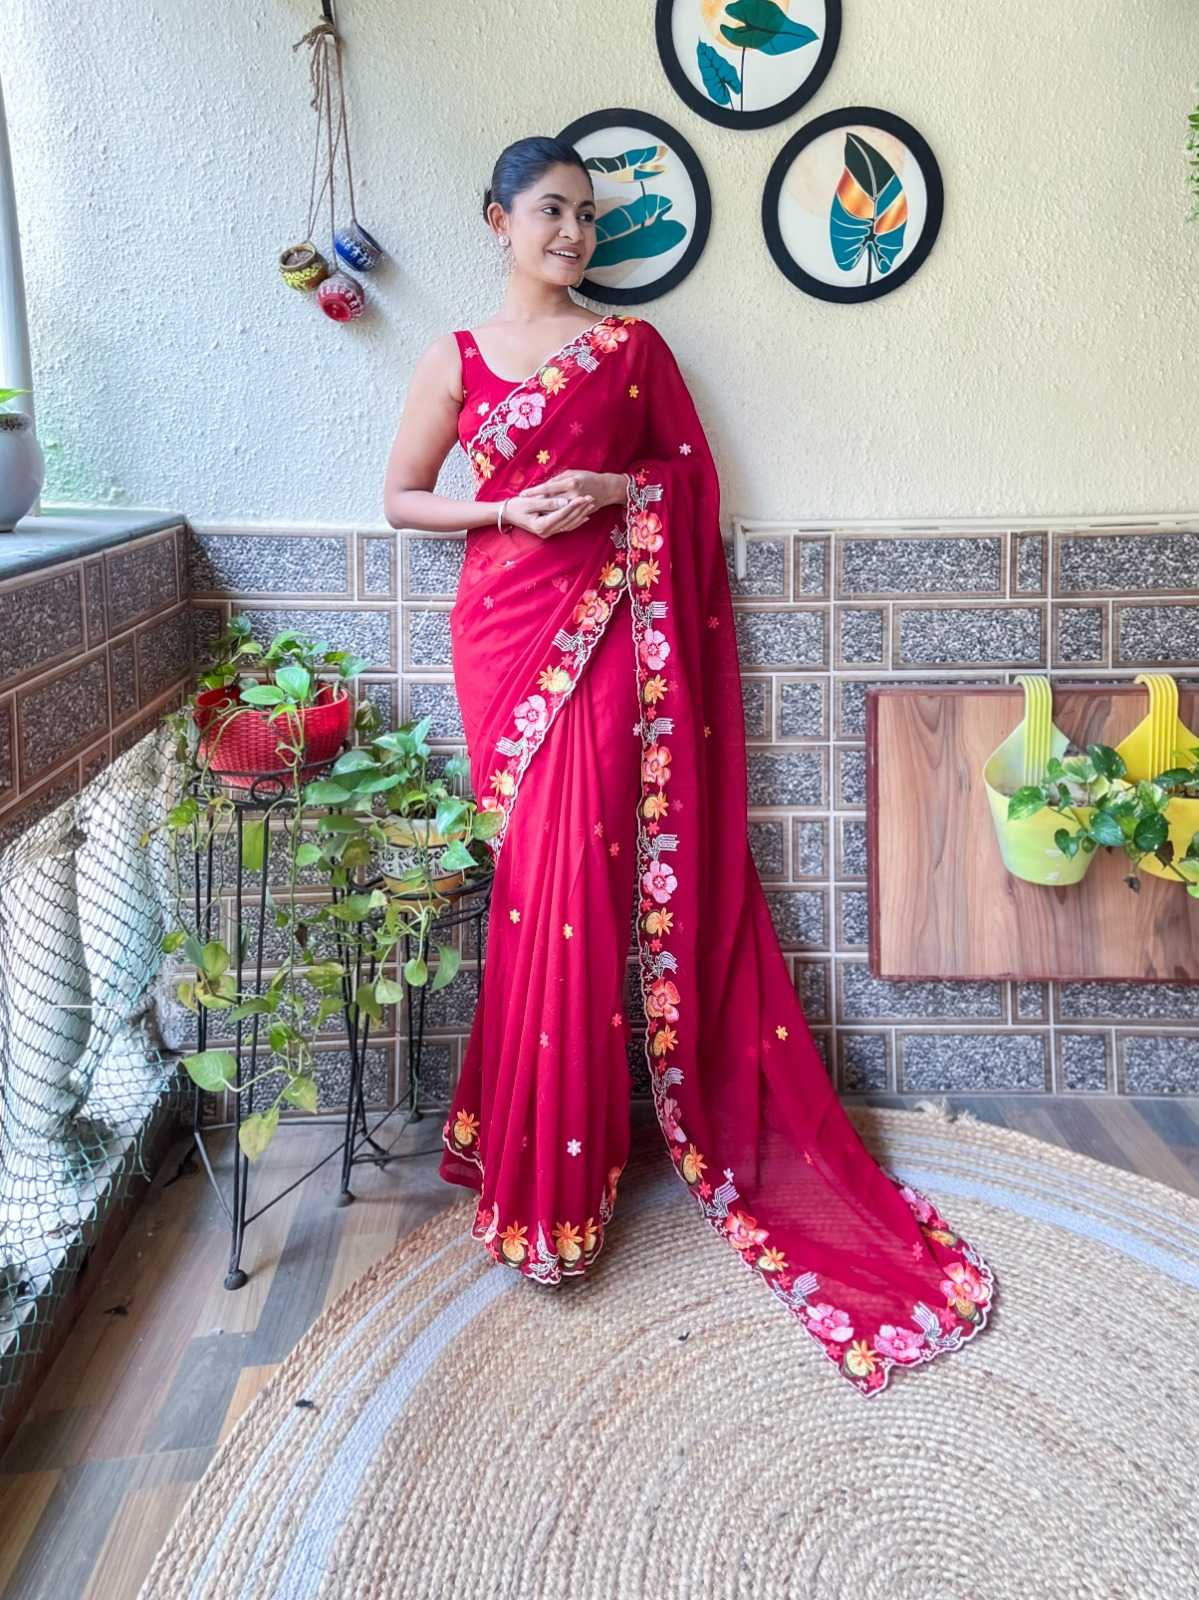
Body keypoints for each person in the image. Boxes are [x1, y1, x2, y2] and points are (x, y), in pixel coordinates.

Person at [382, 135, 996, 1396]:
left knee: (577, 885)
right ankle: (521, 1155)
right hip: (503, 634)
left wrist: (614, 492)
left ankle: (565, 1181)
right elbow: (401, 496)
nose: (571, 233)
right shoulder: (453, 358)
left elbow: (686, 485)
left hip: (612, 637)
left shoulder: (632, 350)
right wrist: (505, 508)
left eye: (585, 216)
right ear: (496, 219)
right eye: (549, 211)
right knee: (529, 890)